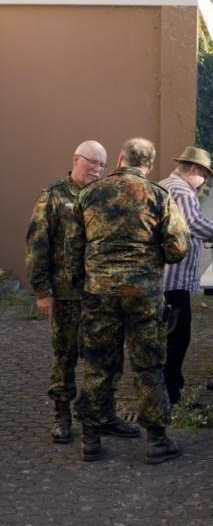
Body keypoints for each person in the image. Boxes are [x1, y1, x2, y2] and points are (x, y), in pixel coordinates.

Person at [66, 137, 190, 463]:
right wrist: (152, 258)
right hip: (143, 295)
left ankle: (90, 440)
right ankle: (157, 441)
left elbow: (73, 248)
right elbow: (178, 247)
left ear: (120, 159)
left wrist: (85, 283)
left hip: (100, 293)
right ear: (148, 164)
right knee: (149, 365)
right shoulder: (158, 196)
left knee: (97, 363)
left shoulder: (89, 194)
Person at [26, 140, 139, 444]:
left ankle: (105, 415)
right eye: (92, 162)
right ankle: (62, 416)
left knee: (107, 357)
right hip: (65, 295)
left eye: (102, 165)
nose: (97, 169)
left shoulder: (101, 196)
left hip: (101, 295)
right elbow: (38, 245)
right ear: (76, 159)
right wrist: (42, 291)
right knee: (65, 356)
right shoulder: (53, 197)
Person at [159, 146, 213, 404]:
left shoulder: (164, 185)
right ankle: (171, 396)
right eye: (204, 175)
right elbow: (192, 223)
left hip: (163, 279)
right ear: (193, 170)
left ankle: (168, 391)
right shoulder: (182, 190)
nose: (204, 182)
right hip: (174, 280)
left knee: (169, 337)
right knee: (177, 338)